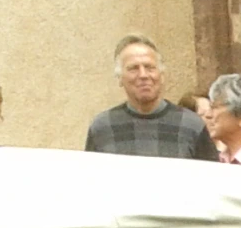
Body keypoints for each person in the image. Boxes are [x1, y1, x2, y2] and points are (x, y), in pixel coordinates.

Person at [84, 34, 217, 161]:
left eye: (149, 67)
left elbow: (212, 179)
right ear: (120, 78)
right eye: (133, 68)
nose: (143, 75)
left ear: (162, 75)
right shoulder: (102, 128)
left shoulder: (191, 125)